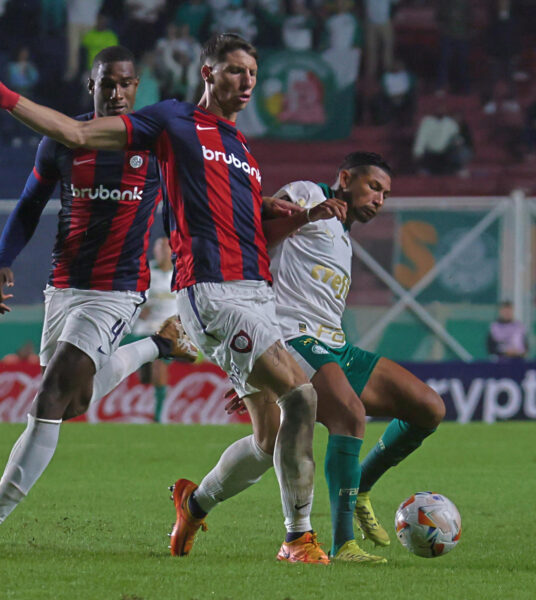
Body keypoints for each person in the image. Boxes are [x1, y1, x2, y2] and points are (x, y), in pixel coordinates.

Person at [0, 33, 344, 564]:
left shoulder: (240, 151)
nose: (247, 81)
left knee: (274, 429)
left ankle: (228, 514)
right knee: (299, 397)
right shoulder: (171, 123)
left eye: (252, 73)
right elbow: (67, 142)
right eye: (234, 70)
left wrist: (295, 216)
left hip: (203, 291)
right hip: (157, 288)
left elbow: (243, 222)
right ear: (207, 73)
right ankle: (294, 534)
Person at [176, 151, 445, 564]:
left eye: (386, 195)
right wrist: (306, 215)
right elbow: (254, 241)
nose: (379, 200)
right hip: (289, 336)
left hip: (332, 343)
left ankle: (360, 487)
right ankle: (342, 544)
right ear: (345, 178)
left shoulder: (343, 235)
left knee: (428, 408)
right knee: (348, 415)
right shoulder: (306, 194)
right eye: (374, 187)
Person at [0, 45, 197, 526]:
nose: (116, 92)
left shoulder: (153, 145)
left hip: (118, 290)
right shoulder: (62, 140)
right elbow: (29, 206)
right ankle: (157, 345)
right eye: (107, 82)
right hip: (63, 285)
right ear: (92, 85)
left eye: (125, 83)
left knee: (50, 396)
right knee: (72, 402)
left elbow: (181, 215)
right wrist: (3, 259)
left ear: (137, 86)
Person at [131, 236, 179, 423]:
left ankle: (159, 416)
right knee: (145, 377)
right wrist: (139, 309)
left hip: (168, 330)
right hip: (144, 329)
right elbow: (132, 296)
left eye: (166, 248)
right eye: (159, 248)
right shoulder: (147, 271)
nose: (163, 252)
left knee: (159, 367)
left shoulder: (180, 272)